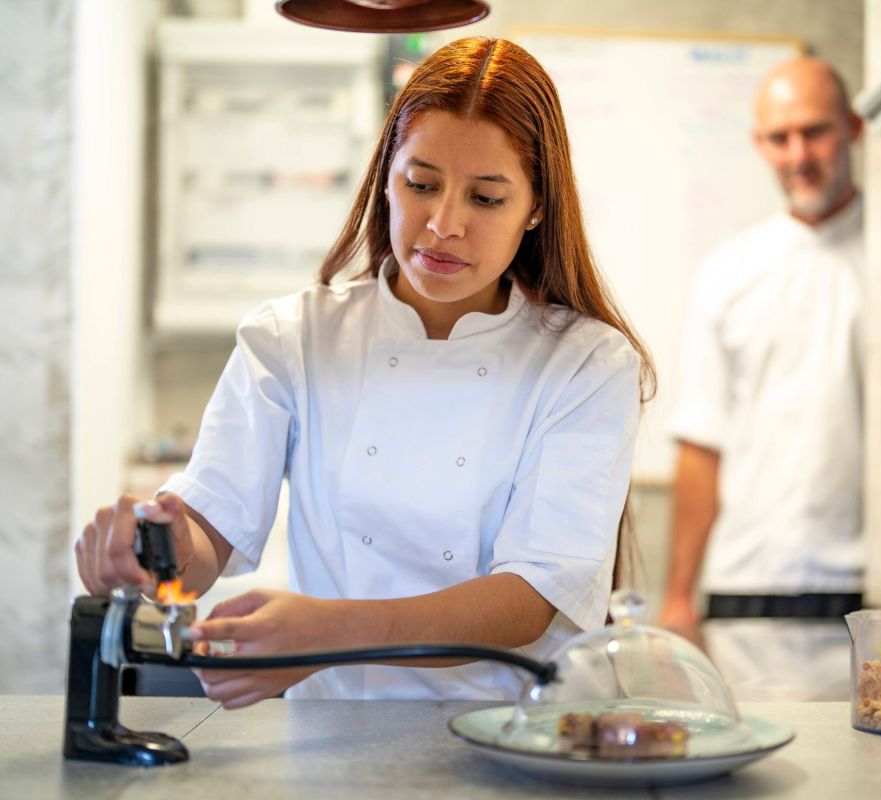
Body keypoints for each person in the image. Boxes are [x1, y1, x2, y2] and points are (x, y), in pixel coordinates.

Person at [75, 37, 655, 708]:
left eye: (486, 199)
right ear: (386, 176)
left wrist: (326, 633)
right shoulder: (294, 337)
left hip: (510, 744)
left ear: (536, 207)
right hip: (329, 745)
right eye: (422, 183)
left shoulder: (586, 364)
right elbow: (209, 532)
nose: (443, 224)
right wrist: (156, 547)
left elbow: (533, 598)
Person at [659, 56, 864, 628]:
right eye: (780, 138)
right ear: (760, 145)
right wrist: (679, 595)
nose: (798, 155)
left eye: (815, 132)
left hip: (872, 587)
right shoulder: (727, 273)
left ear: (854, 126)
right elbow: (702, 442)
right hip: (742, 584)